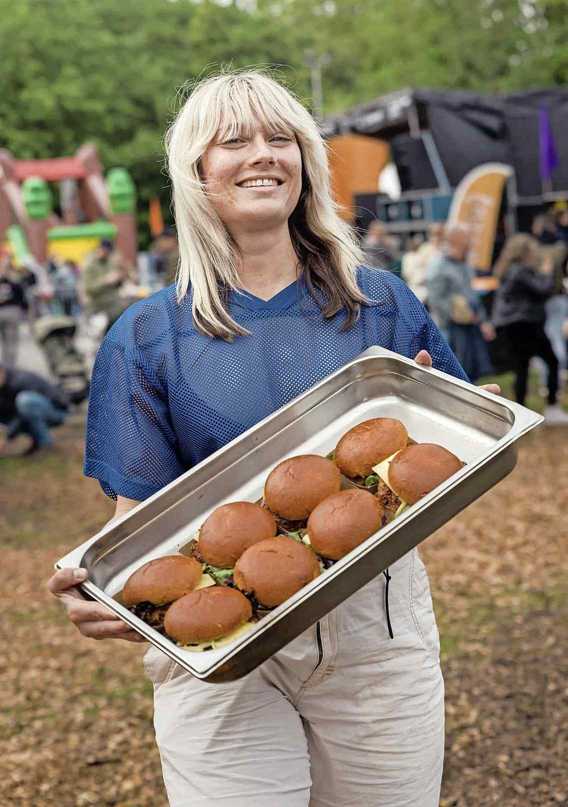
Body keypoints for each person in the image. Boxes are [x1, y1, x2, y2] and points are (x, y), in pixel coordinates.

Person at [47, 70, 500, 807]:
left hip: (374, 630)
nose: (263, 153)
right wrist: (100, 586)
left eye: (281, 136)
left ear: (306, 162)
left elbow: (444, 456)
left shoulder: (382, 301)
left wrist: (462, 421)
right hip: (219, 648)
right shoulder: (147, 335)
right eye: (233, 141)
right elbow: (143, 519)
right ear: (198, 173)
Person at [492, 234, 568, 424]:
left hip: (513, 326)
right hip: (525, 324)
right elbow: (543, 289)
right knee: (552, 361)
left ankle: (521, 414)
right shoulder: (521, 271)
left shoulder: (509, 270)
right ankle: (551, 407)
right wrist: (548, 271)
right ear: (525, 252)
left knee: (522, 369)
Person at [427, 225, 495, 381]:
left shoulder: (465, 265)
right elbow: (436, 300)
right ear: (456, 240)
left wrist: (483, 320)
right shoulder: (438, 266)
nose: (470, 243)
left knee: (473, 369)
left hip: (470, 325)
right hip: (451, 329)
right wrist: (455, 313)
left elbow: (473, 295)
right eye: (466, 239)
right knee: (457, 373)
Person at [0, 363, 69, 455]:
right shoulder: (3, 386)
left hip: (57, 411)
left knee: (25, 401)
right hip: (31, 411)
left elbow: (21, 416)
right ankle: (37, 443)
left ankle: (46, 445)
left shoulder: (21, 379)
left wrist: (7, 438)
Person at [82, 239, 133, 332]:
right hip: (98, 305)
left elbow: (120, 282)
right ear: (99, 249)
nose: (106, 253)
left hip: (113, 303)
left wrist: (120, 277)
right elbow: (89, 288)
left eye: (108, 251)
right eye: (104, 250)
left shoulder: (109, 262)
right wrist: (105, 281)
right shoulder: (91, 265)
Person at [0, 251, 28, 368]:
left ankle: (5, 366)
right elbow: (22, 297)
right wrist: (24, 310)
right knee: (11, 341)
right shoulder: (15, 281)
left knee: (6, 340)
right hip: (12, 311)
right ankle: (9, 366)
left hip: (4, 311)